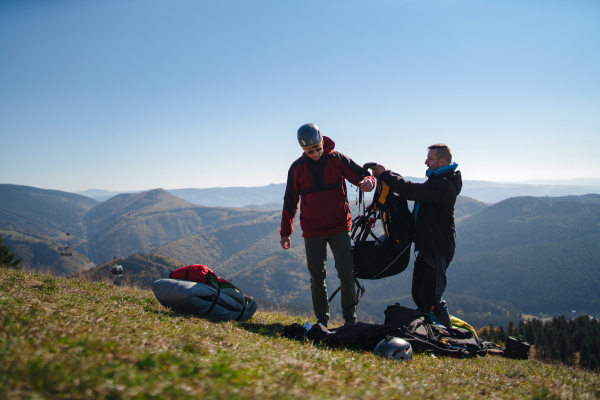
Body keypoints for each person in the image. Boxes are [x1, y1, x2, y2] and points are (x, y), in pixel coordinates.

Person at [280, 123, 375, 327]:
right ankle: (322, 323)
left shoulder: (337, 159)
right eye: (309, 151)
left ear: (322, 142)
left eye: (317, 148)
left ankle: (351, 322)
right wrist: (285, 232)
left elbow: (362, 176)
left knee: (347, 275)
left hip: (339, 227)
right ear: (303, 149)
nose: (315, 154)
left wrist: (369, 182)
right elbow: (290, 202)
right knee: (317, 278)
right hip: (312, 231)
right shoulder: (297, 168)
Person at [368, 144, 461, 328]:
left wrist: (386, 174)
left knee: (432, 298)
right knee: (419, 294)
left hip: (437, 248)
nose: (426, 161)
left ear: (442, 161)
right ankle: (430, 331)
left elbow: (412, 191)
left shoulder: (444, 185)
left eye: (430, 158)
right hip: (427, 247)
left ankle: (446, 337)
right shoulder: (437, 179)